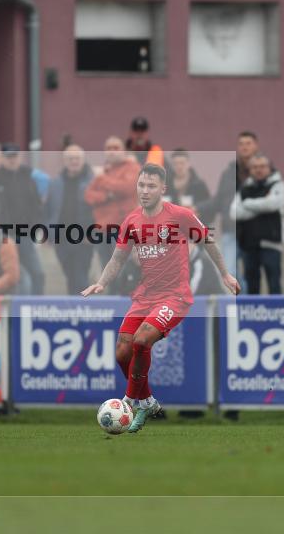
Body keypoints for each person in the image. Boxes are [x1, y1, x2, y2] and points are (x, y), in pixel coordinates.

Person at [81, 163, 240, 433]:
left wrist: (225, 274)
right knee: (122, 352)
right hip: (145, 296)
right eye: (141, 185)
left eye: (151, 186)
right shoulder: (131, 220)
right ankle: (148, 400)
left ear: (162, 189)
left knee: (142, 339)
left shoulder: (180, 215)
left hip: (175, 296)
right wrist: (101, 282)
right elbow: (118, 258)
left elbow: (207, 241)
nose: (145, 190)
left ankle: (130, 401)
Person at [0, 144, 45, 294]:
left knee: (37, 274)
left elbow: (38, 206)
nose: (12, 160)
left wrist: (38, 228)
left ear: (19, 157)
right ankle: (17, 309)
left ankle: (36, 307)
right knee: (14, 276)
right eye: (9, 157)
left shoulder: (28, 177)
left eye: (15, 156)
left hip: (25, 235)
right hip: (3, 237)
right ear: (3, 158)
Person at [196, 131, 261, 282]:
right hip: (231, 230)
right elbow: (219, 200)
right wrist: (197, 207)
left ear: (256, 146)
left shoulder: (262, 169)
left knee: (252, 273)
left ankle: (247, 304)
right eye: (241, 144)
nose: (244, 147)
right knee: (229, 272)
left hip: (254, 231)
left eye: (248, 144)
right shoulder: (229, 173)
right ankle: (240, 303)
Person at [231, 153, 284, 295]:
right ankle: (252, 316)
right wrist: (262, 205)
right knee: (252, 284)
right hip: (249, 244)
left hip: (271, 243)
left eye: (262, 166)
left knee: (274, 283)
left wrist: (247, 204)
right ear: (250, 170)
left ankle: (276, 313)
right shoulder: (245, 188)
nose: (259, 170)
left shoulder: (278, 184)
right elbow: (234, 212)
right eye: (255, 167)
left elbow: (273, 204)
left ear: (269, 168)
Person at [84, 136, 140, 272]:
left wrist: (102, 180)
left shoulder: (132, 168)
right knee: (106, 272)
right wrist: (106, 196)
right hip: (103, 229)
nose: (112, 151)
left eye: (116, 148)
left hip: (122, 228)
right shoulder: (106, 171)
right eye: (108, 148)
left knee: (122, 270)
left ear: (124, 151)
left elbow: (126, 188)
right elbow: (88, 196)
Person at [46, 145, 95, 295]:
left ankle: (85, 308)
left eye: (77, 158)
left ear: (83, 159)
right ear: (64, 161)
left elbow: (98, 210)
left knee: (80, 275)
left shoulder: (93, 181)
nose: (74, 161)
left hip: (84, 237)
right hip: (61, 237)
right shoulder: (56, 183)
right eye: (70, 159)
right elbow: (49, 209)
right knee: (70, 275)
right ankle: (75, 308)